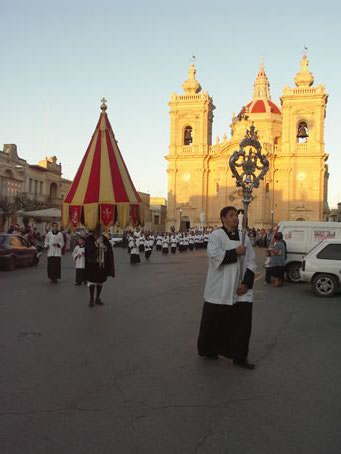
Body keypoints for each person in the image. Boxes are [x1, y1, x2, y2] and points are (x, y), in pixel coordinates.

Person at [197, 206, 257, 370]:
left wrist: (246, 283)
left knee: (242, 325)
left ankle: (239, 356)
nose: (235, 218)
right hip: (220, 287)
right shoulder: (216, 235)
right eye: (231, 216)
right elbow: (214, 255)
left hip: (240, 289)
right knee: (214, 322)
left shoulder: (245, 238)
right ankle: (209, 349)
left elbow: (251, 261)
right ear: (223, 218)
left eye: (236, 216)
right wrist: (235, 252)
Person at [85, 224, 115, 307]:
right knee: (92, 281)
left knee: (100, 281)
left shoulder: (104, 239)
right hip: (92, 263)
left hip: (101, 263)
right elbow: (88, 250)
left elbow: (109, 250)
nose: (99, 231)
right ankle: (91, 298)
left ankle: (97, 298)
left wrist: (104, 247)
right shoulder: (89, 239)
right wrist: (96, 245)